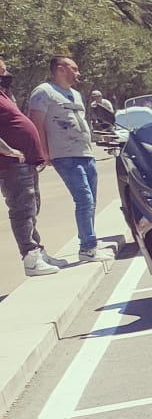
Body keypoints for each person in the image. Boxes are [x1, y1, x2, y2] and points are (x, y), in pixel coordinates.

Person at [26, 56, 111, 263]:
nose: (78, 73)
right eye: (75, 68)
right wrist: (43, 152)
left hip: (85, 153)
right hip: (64, 155)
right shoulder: (44, 92)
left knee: (91, 200)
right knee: (84, 199)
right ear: (61, 69)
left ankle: (90, 245)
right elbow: (36, 122)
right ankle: (88, 248)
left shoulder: (76, 95)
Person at [0, 59, 60, 276]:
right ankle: (30, 258)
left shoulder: (4, 94)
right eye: (1, 69)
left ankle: (38, 251)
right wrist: (8, 150)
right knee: (22, 209)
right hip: (11, 164)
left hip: (25, 162)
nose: (5, 71)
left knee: (32, 206)